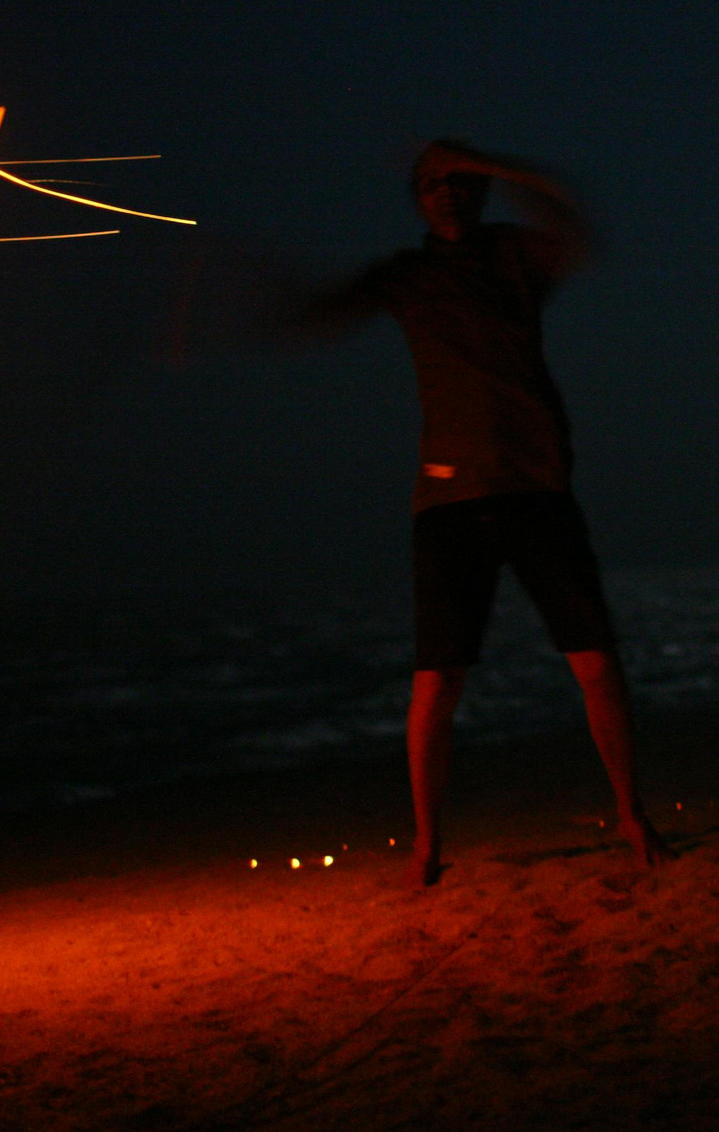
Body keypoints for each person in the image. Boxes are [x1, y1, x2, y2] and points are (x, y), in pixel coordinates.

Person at [296, 139, 667, 886]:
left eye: (460, 182)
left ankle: (632, 815)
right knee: (437, 679)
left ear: (481, 191)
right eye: (433, 184)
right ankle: (427, 845)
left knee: (596, 662)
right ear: (418, 199)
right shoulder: (407, 275)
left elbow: (579, 229)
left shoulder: (514, 256)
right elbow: (323, 313)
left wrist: (496, 163)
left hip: (536, 489)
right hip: (447, 503)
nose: (448, 193)